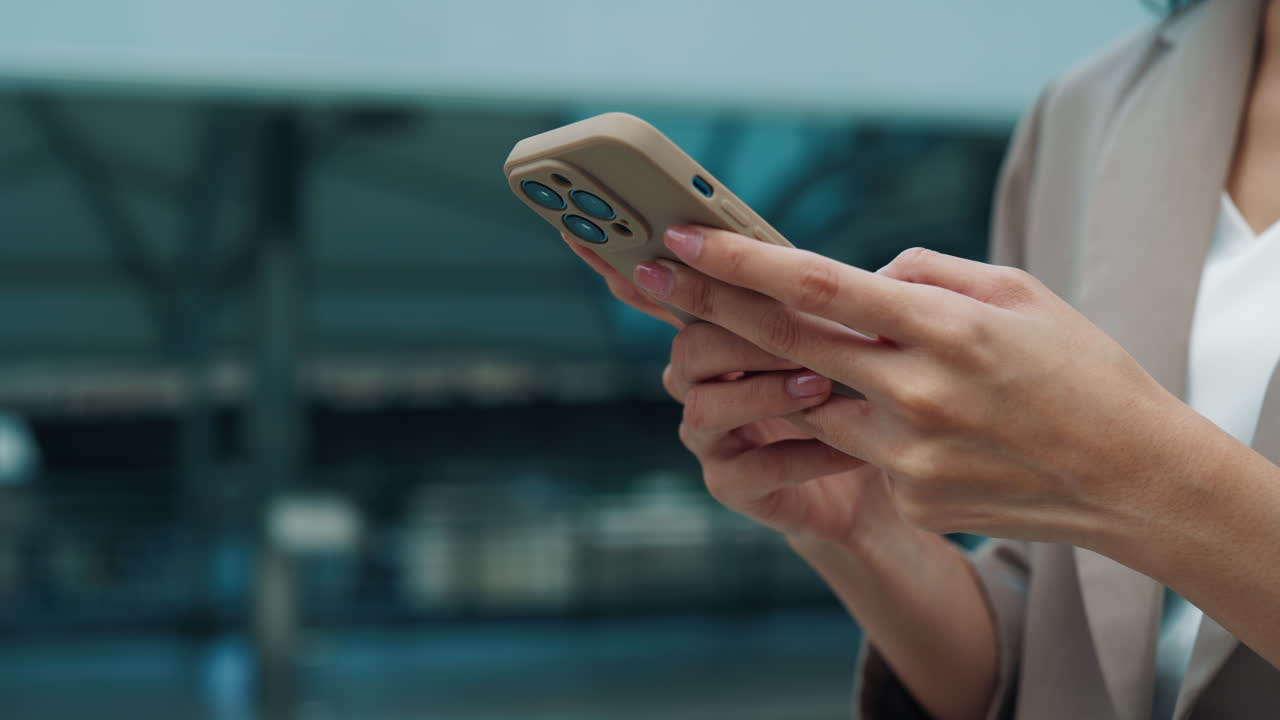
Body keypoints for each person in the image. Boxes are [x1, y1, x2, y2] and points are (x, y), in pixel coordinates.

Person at [564, 0, 1280, 717]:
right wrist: (862, 530)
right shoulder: (1087, 108)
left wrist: (1133, 478)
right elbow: (1054, 651)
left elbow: (1119, 490)